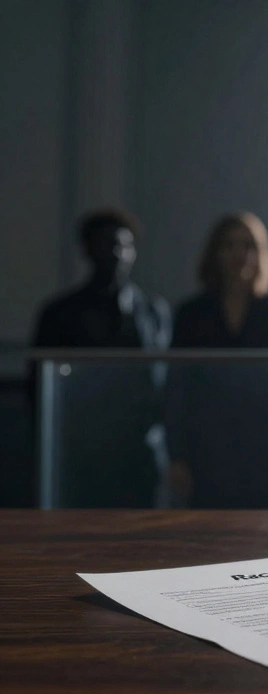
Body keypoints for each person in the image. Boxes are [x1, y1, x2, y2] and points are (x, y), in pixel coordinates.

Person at [167, 212, 268, 509]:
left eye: (248, 245)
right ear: (215, 252)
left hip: (265, 449)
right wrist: (176, 455)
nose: (239, 254)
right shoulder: (191, 313)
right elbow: (178, 388)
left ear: (261, 253)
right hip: (206, 449)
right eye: (229, 245)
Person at [31, 208, 170, 507]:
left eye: (125, 246)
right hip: (83, 452)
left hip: (140, 452)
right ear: (88, 251)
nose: (118, 254)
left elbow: (164, 380)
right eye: (108, 244)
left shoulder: (154, 311)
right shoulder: (59, 313)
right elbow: (39, 388)